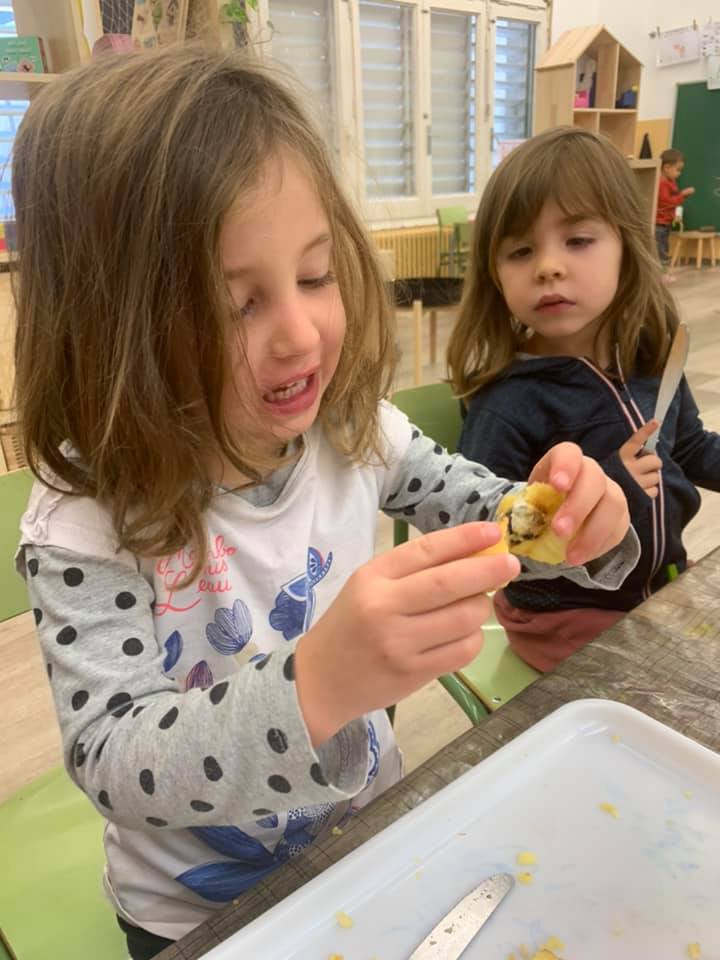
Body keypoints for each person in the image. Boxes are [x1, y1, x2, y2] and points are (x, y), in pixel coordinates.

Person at [12, 52, 635, 960]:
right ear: (110, 332)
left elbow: (487, 510)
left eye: (315, 276)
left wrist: (575, 525)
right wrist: (318, 686)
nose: (301, 333)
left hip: (367, 837)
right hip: (194, 914)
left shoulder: (356, 431)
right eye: (236, 304)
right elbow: (114, 758)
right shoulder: (82, 521)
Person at [447, 126, 720, 674]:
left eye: (577, 240)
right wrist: (608, 490)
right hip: (564, 613)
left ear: (626, 250)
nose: (548, 266)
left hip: (661, 587)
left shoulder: (653, 364)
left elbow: (690, 448)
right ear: (495, 276)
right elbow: (487, 540)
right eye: (521, 250)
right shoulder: (507, 402)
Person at [655, 147, 695, 266]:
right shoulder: (662, 183)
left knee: (664, 245)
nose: (679, 173)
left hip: (666, 221)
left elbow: (674, 200)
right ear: (666, 167)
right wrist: (683, 195)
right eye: (678, 170)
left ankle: (663, 267)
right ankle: (661, 268)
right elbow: (666, 202)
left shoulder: (671, 181)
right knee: (659, 247)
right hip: (659, 222)